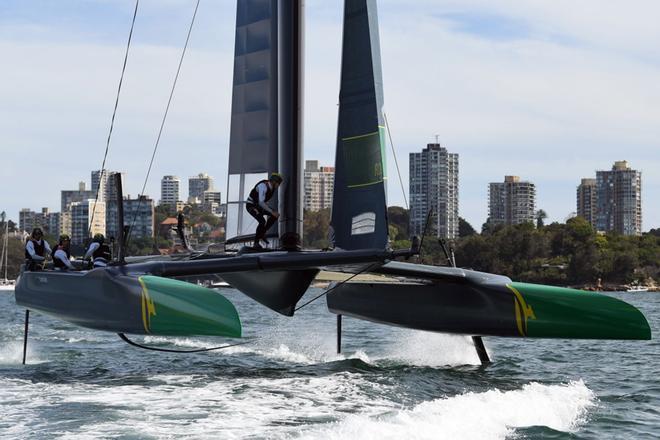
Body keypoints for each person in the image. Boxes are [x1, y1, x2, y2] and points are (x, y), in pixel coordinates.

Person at [246, 172, 282, 249]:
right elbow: (261, 202)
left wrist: (272, 212)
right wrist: (271, 211)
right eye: (278, 183)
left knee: (276, 215)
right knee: (262, 221)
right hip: (251, 205)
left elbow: (263, 202)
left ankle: (262, 233)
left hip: (259, 206)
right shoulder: (263, 186)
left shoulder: (272, 188)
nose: (279, 186)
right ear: (274, 182)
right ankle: (256, 243)